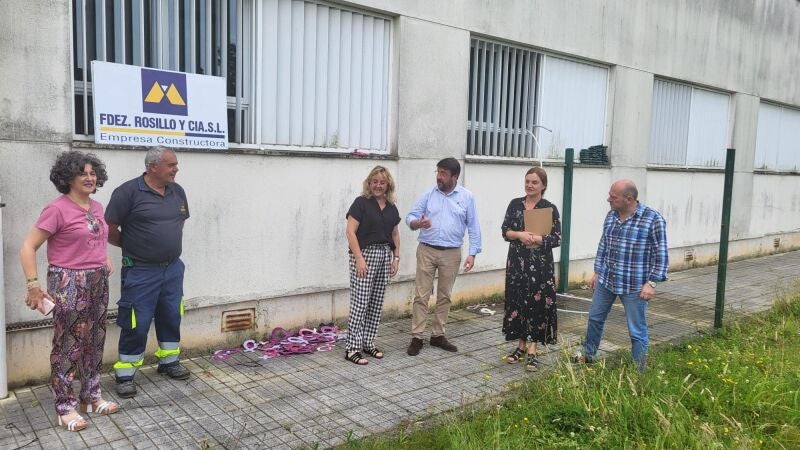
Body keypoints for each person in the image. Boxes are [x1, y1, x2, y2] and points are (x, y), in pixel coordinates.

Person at [20, 151, 118, 432]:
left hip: (97, 279)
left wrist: (103, 256)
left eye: (92, 173)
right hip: (68, 282)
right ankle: (64, 407)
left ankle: (90, 396)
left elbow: (95, 236)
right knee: (68, 344)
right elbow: (28, 246)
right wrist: (33, 285)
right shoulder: (57, 209)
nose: (89, 178)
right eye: (82, 173)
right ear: (68, 178)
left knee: (95, 339)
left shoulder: (97, 207)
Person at [105, 146, 191, 398]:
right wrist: (134, 246)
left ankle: (169, 361)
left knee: (171, 314)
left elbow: (178, 223)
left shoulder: (177, 191)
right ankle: (125, 374)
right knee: (136, 321)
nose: (176, 169)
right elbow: (109, 229)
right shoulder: (127, 192)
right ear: (153, 166)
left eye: (176, 164)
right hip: (140, 270)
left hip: (172, 268)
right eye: (171, 165)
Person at [576, 179, 668, 372]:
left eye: (613, 197)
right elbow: (604, 245)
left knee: (636, 330)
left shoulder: (653, 219)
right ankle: (589, 355)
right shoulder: (611, 216)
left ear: (629, 199)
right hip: (607, 280)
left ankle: (639, 371)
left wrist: (651, 283)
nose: (608, 199)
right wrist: (597, 271)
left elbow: (661, 255)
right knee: (595, 318)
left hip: (634, 285)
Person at [405, 157, 482, 356]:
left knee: (445, 295)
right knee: (421, 295)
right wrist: (418, 223)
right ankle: (417, 336)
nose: (439, 177)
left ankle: (438, 335)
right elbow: (410, 217)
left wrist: (473, 253)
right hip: (427, 250)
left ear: (454, 177)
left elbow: (474, 227)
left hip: (452, 253)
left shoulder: (467, 197)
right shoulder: (428, 195)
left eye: (443, 173)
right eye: (438, 172)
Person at [501, 167, 561, 372]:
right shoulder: (515, 204)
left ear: (543, 185)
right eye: (527, 181)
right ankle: (521, 346)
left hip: (540, 266)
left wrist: (536, 238)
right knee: (518, 302)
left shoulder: (549, 208)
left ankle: (533, 349)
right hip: (517, 264)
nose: (529, 185)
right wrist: (520, 235)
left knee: (537, 305)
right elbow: (505, 231)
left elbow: (557, 238)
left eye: (534, 182)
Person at [344, 166, 401, 365]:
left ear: (388, 185)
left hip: (384, 255)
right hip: (365, 255)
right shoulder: (361, 203)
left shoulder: (392, 208)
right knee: (360, 303)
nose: (378, 185)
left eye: (382, 182)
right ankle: (352, 348)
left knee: (376, 303)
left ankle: (368, 343)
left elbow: (395, 234)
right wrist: (359, 258)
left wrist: (396, 258)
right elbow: (350, 232)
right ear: (369, 183)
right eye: (374, 181)